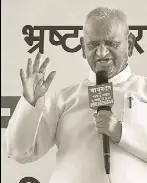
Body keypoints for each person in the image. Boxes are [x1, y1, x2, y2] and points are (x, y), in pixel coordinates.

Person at [3, 6, 147, 183]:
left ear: (130, 44)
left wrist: (121, 133)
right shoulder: (63, 98)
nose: (101, 52)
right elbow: (19, 152)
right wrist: (29, 104)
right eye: (93, 45)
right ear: (83, 47)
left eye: (111, 43)